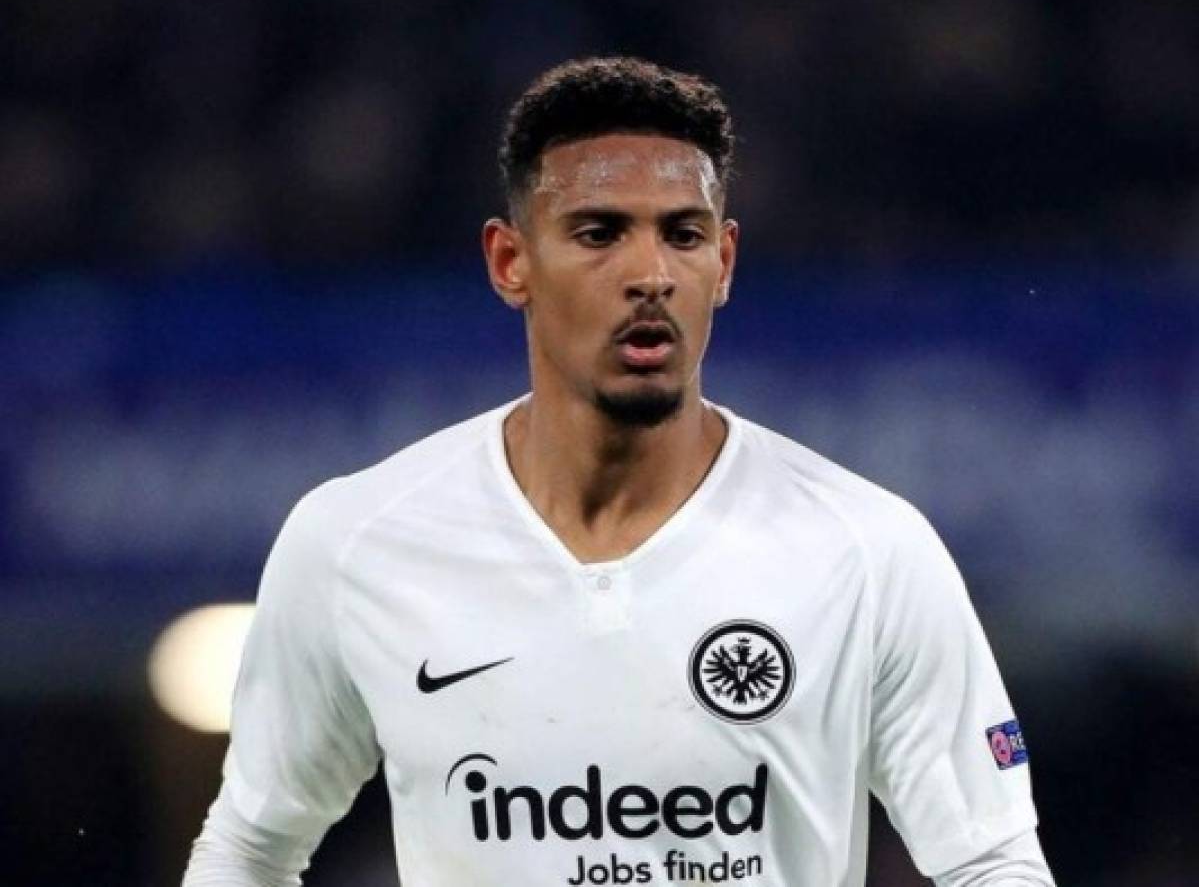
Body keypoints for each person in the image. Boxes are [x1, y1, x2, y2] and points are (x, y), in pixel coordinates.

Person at [183, 57, 1054, 886]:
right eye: (599, 233)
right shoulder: (357, 541)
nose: (650, 274)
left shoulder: (866, 548)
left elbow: (992, 863)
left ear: (724, 263)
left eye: (683, 235)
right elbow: (249, 849)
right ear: (510, 262)